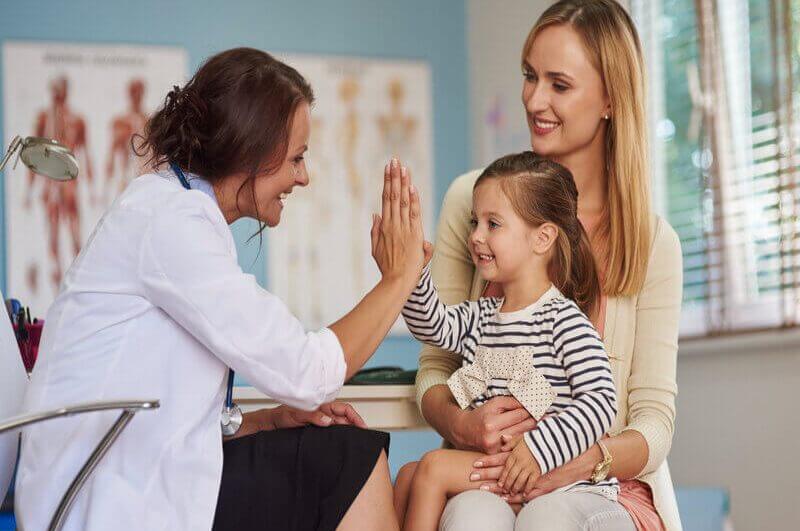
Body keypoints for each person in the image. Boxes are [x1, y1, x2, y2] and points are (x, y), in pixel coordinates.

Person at [15, 47, 429, 531]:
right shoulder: (170, 222)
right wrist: (400, 278)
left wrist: (268, 421)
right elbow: (308, 372)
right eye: (297, 157)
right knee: (345, 459)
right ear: (253, 150)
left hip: (127, 481)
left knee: (333, 453)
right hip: (101, 505)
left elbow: (177, 420)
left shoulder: (173, 213)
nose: (303, 176)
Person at [414, 1, 683, 530]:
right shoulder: (473, 199)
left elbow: (652, 422)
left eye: (559, 84)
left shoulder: (653, 243)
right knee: (470, 517)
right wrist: (464, 426)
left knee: (550, 517)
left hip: (600, 483)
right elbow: (435, 367)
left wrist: (573, 460)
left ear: (610, 98)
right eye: (529, 76)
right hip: (488, 473)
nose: (535, 99)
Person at [393, 152, 618, 531]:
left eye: (492, 224)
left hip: (547, 474)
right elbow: (430, 326)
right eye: (474, 222)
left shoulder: (563, 320)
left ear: (543, 238)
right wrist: (410, 271)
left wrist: (538, 450)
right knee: (407, 478)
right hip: (498, 468)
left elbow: (600, 402)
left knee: (430, 468)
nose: (476, 236)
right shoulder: (482, 315)